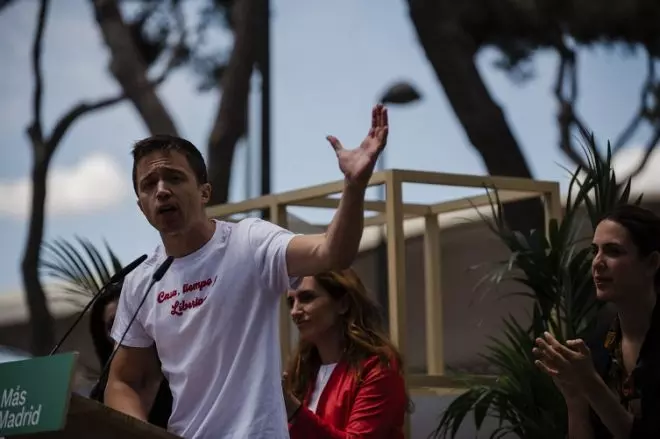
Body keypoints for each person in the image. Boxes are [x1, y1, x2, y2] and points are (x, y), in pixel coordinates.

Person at [105, 104, 389, 439]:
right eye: (149, 184)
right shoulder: (142, 281)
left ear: (204, 192)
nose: (162, 190)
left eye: (175, 178)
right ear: (140, 205)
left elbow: (332, 252)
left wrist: (354, 187)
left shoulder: (249, 242)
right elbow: (124, 381)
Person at [533, 204, 660, 438]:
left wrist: (591, 385)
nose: (597, 263)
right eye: (595, 251)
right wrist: (575, 399)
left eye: (613, 251)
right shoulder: (601, 345)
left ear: (651, 263)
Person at [282, 269, 411, 438]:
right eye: (291, 302)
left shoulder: (377, 368)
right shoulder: (302, 368)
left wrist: (293, 410)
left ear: (343, 304)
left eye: (307, 298)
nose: (294, 311)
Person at [88, 279, 172, 428]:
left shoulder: (177, 379)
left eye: (129, 320)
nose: (124, 329)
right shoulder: (99, 394)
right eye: (112, 324)